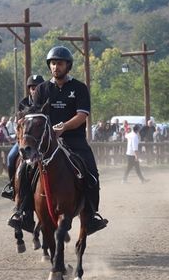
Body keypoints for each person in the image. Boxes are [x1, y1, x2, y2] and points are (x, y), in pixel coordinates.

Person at [9, 45, 108, 236]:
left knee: (92, 174)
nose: (56, 67)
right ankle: (23, 213)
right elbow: (34, 114)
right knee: (24, 170)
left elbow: (82, 115)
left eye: (60, 63)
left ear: (68, 66)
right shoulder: (42, 89)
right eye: (53, 63)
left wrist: (63, 127)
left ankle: (91, 216)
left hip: (74, 140)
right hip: (45, 143)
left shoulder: (79, 88)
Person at [1, 74, 43, 200]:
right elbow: (18, 124)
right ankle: (12, 187)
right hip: (25, 140)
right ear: (29, 89)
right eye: (32, 88)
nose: (34, 90)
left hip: (43, 140)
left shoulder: (47, 102)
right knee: (11, 157)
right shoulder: (23, 103)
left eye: (37, 88)